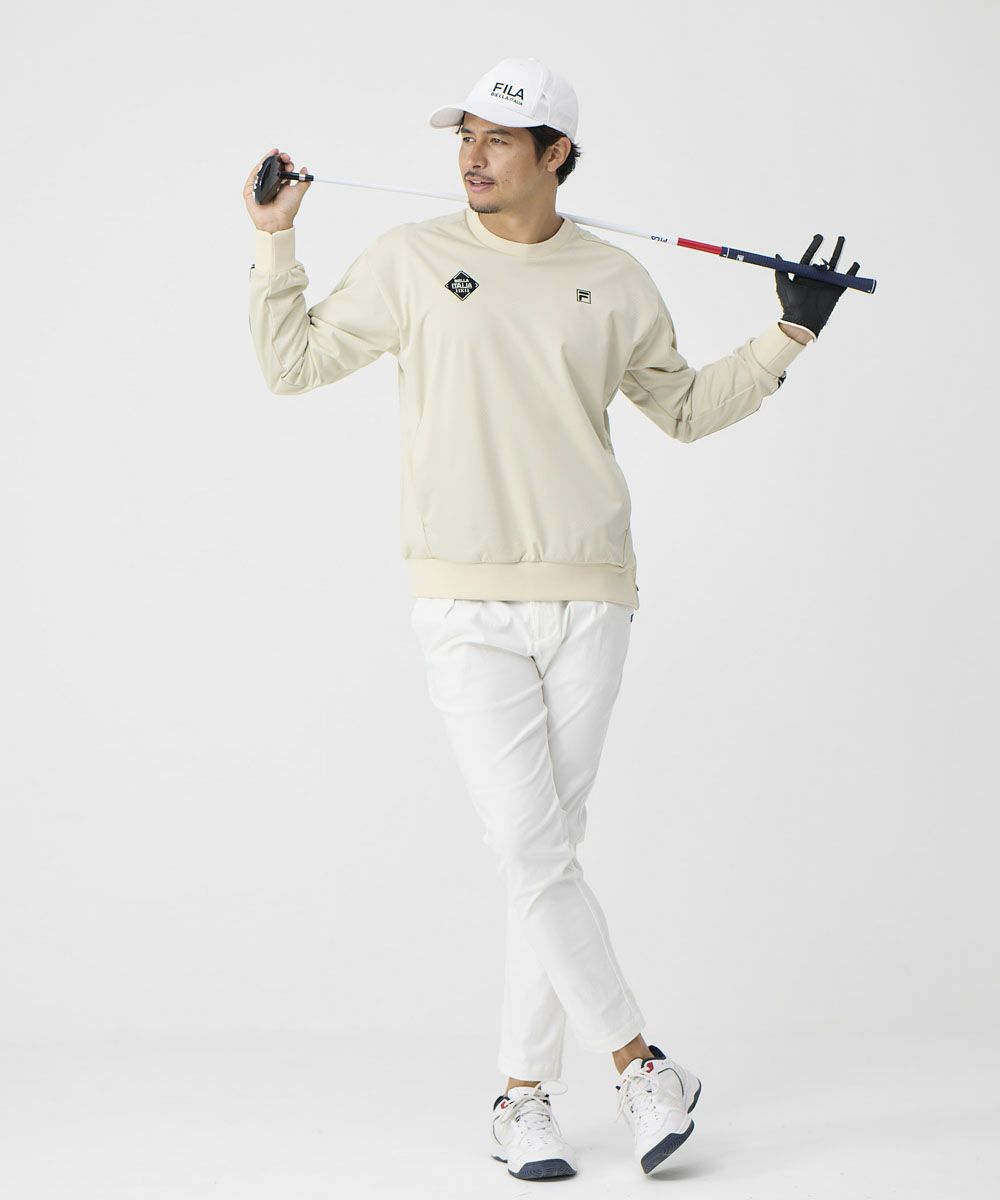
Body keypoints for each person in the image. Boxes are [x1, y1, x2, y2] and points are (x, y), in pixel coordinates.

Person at [244, 55, 859, 1182]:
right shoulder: (411, 258)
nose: (472, 156)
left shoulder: (614, 278)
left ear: (557, 154)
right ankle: (639, 1064)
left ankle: (522, 1097)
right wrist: (277, 241)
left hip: (590, 596)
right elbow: (290, 364)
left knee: (544, 857)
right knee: (530, 848)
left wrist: (790, 334)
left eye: (499, 137)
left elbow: (683, 410)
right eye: (463, 135)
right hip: (463, 602)